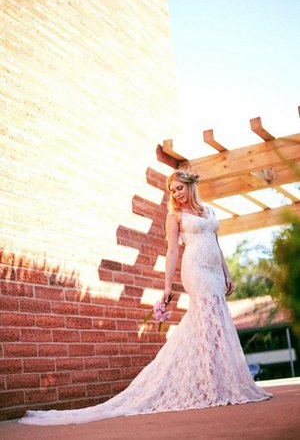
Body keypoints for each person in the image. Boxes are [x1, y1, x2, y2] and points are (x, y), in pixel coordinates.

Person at [19, 170, 271, 426]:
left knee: (218, 321)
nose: (176, 194)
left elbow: (216, 244)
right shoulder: (174, 217)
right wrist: (166, 287)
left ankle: (223, 381)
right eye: (172, 190)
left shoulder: (208, 211)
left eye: (179, 188)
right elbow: (172, 251)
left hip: (216, 272)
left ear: (190, 186)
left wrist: (228, 274)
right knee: (208, 323)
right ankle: (210, 386)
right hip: (195, 270)